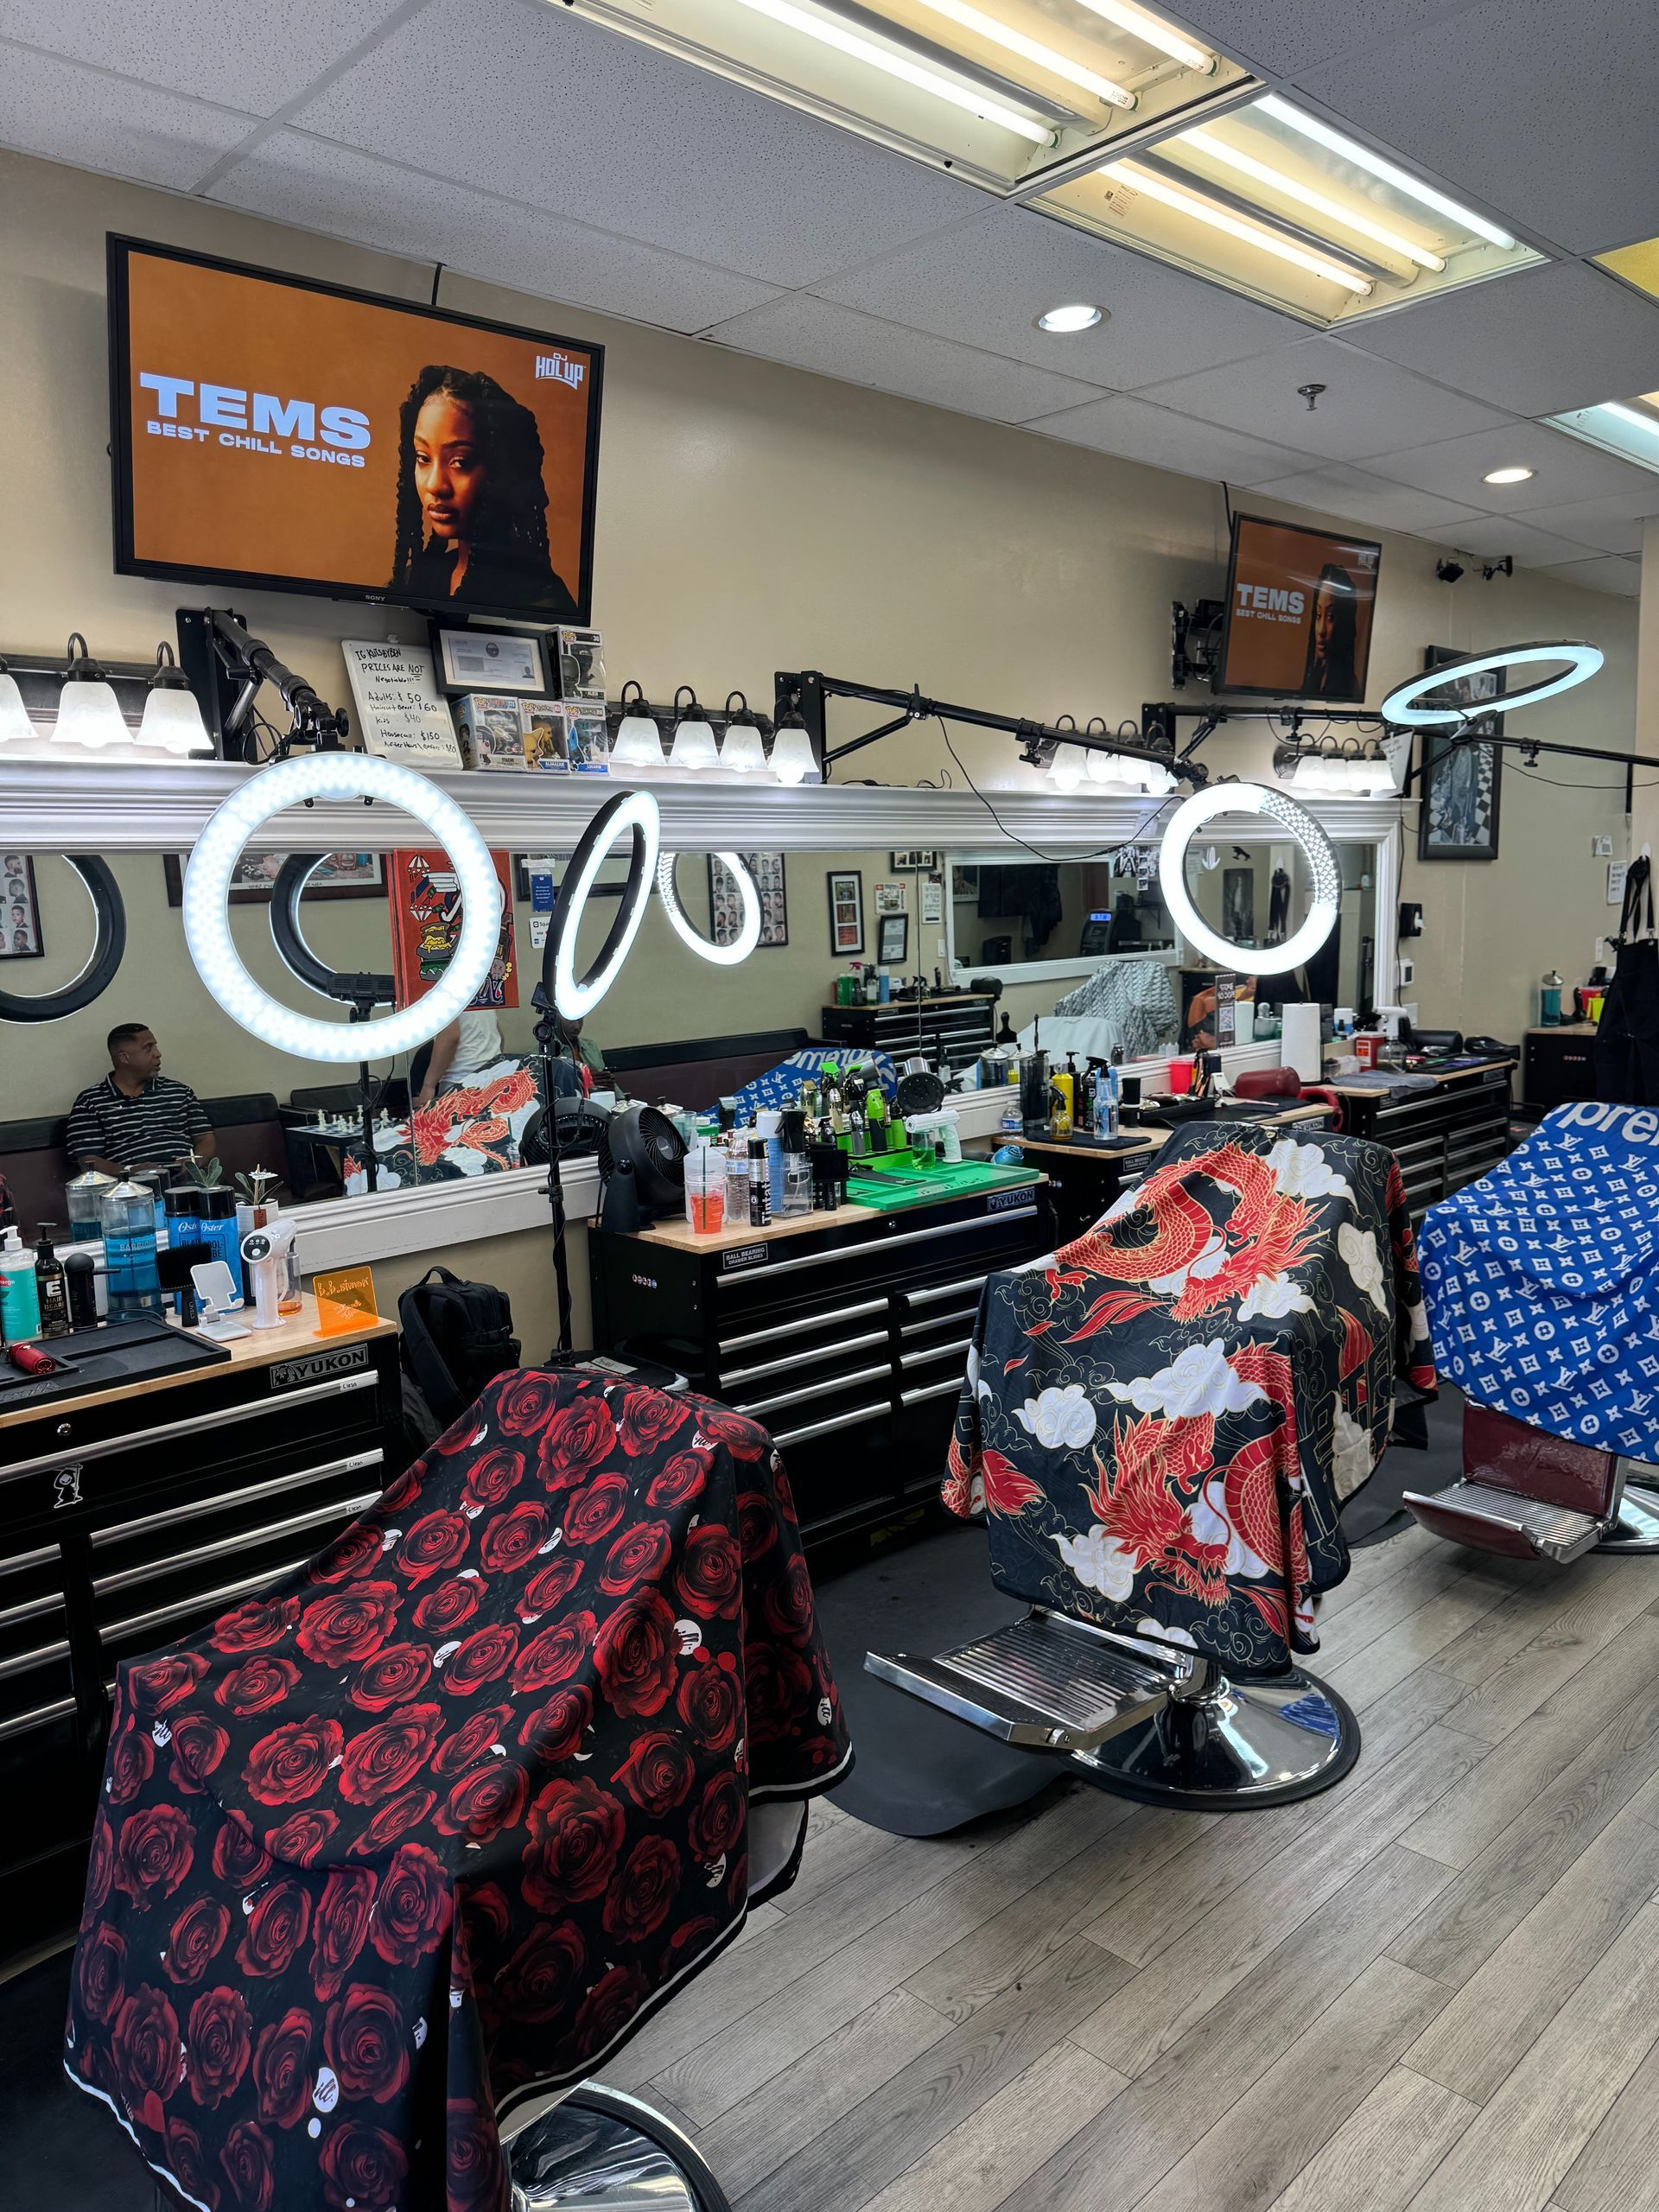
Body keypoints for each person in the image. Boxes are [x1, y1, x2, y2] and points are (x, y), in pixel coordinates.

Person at [386, 365, 576, 615]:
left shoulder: (538, 599)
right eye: (423, 458)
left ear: (502, 471)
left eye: (460, 462)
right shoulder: (417, 580)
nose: (435, 485)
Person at [66, 1024, 215, 1178]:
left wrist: (194, 1162)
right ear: (124, 1057)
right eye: (148, 1048)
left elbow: (205, 1137)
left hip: (186, 1178)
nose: (158, 1054)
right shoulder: (91, 1102)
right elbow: (88, 1160)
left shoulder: (179, 1091)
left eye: (155, 1046)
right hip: (130, 1186)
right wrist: (129, 1171)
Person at [412, 1008, 508, 1111]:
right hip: (494, 1081)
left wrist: (429, 1085)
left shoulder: (441, 994)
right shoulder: (479, 994)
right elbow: (500, 1037)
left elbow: (451, 1036)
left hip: (460, 1085)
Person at [1302, 563, 1361, 699]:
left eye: (1331, 617)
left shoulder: (1349, 686)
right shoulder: (1314, 677)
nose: (1321, 630)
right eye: (1318, 615)